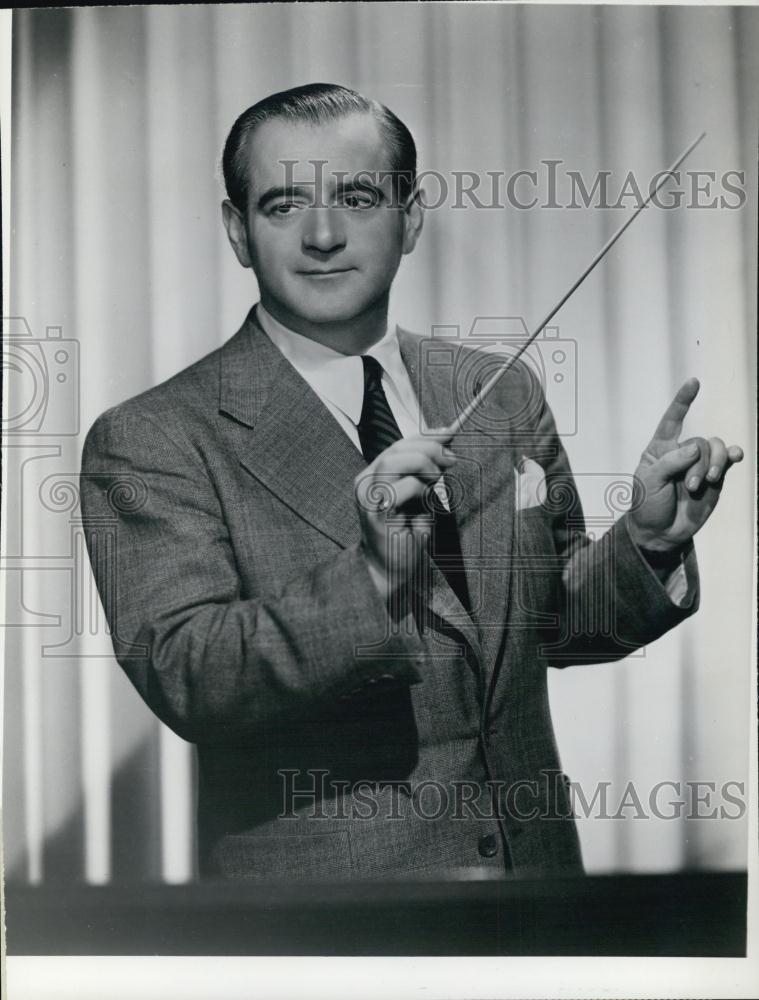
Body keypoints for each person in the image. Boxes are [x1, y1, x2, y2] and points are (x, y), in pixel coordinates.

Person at [80, 83, 743, 881]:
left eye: (356, 198)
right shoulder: (154, 436)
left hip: (535, 896)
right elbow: (190, 678)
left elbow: (552, 623)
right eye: (284, 205)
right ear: (237, 231)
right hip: (330, 922)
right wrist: (371, 579)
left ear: (411, 217)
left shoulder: (496, 391)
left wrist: (645, 543)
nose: (322, 235)